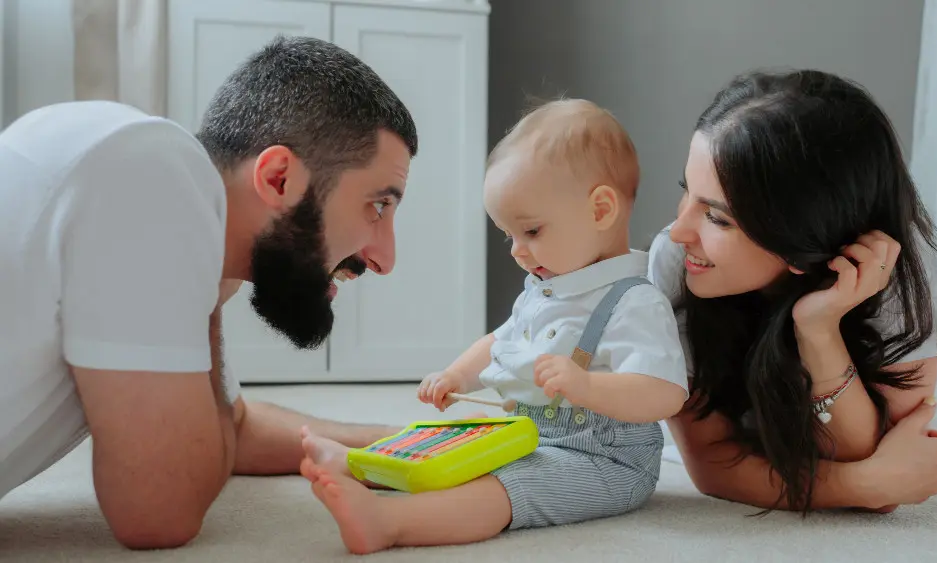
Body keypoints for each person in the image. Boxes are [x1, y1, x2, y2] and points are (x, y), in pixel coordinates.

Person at [0, 36, 416, 549]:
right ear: (279, 178)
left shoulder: (135, 164)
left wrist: (404, 443)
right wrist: (209, 307)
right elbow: (159, 510)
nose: (385, 258)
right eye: (377, 206)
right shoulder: (152, 180)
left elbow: (230, 426)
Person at [298, 99, 689, 554]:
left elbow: (664, 393)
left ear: (601, 211)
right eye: (510, 235)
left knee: (511, 483)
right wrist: (455, 376)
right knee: (460, 443)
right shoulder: (547, 290)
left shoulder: (634, 301)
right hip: (531, 434)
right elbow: (498, 341)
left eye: (533, 232)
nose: (517, 251)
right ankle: (361, 464)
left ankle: (390, 522)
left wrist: (587, 387)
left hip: (605, 462)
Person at [648, 68, 937, 514]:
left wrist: (819, 329)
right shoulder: (677, 260)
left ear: (802, 237)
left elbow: (868, 452)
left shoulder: (908, 281)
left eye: (718, 218)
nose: (679, 231)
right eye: (687, 194)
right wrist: (862, 486)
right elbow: (711, 463)